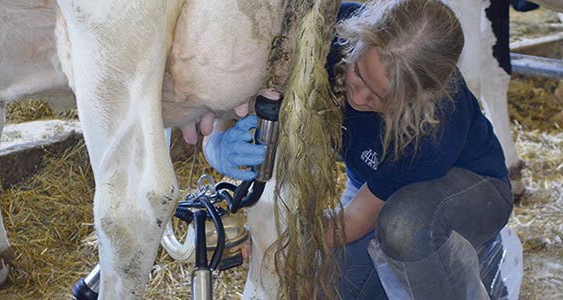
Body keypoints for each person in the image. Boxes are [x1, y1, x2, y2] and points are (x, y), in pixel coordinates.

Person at [204, 0, 514, 299]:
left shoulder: (436, 127)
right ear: (359, 38)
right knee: (319, 286)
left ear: (418, 100)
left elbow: (352, 222)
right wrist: (216, 139)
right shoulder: (326, 31)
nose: (360, 97)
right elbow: (251, 89)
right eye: (359, 74)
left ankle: (464, 271)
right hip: (371, 185)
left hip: (470, 191)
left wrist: (279, 243)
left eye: (382, 97)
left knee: (404, 227)